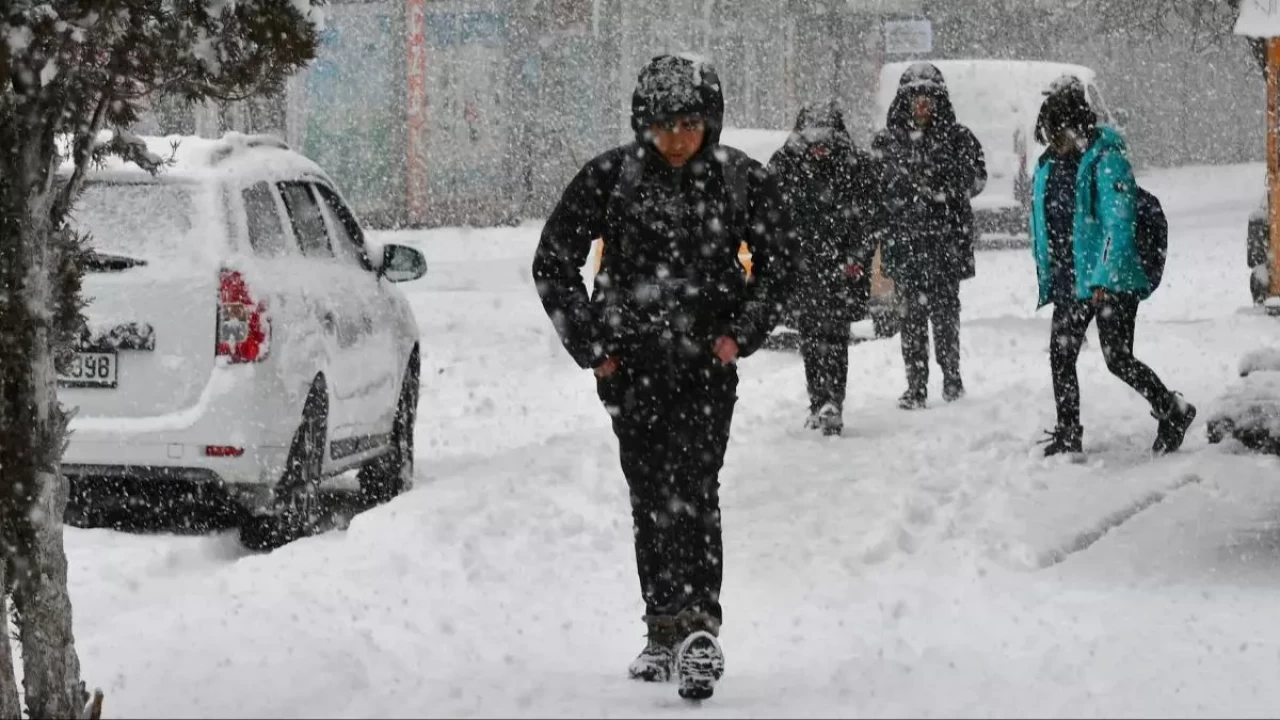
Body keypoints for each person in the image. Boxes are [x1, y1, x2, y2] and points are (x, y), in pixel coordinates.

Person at [531, 53, 795, 700]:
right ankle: (661, 626)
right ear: (642, 123)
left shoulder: (739, 182)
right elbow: (553, 261)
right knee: (651, 498)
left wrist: (743, 333)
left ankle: (699, 629)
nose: (677, 137)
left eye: (689, 123)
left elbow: (782, 261)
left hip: (708, 369)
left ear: (710, 122)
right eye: (664, 124)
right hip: (632, 371)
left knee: (696, 491)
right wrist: (594, 347)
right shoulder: (611, 178)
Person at [1029, 75, 1196, 457]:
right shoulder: (1049, 166)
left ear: (1078, 126)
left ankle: (1172, 409)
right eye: (1051, 133)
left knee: (1117, 358)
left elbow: (1119, 224)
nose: (1056, 141)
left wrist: (1104, 277)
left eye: (1061, 132)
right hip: (1072, 280)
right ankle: (1068, 433)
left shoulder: (1107, 161)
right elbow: (1045, 222)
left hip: (1111, 279)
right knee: (1061, 355)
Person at [872, 62, 987, 410]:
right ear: (904, 101)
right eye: (916, 98)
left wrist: (943, 187)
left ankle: (951, 379)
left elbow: (977, 179)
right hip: (906, 245)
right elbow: (874, 189)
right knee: (910, 318)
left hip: (944, 245)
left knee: (945, 315)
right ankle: (916, 385)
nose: (922, 105)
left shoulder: (958, 138)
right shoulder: (888, 141)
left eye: (929, 98)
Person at [767, 100, 882, 436]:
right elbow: (769, 214)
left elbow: (871, 215)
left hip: (841, 267)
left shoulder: (855, 165)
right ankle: (819, 401)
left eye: (825, 140)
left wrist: (856, 257)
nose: (819, 148)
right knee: (811, 335)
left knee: (834, 335)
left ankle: (832, 402)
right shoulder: (785, 164)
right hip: (804, 266)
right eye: (813, 140)